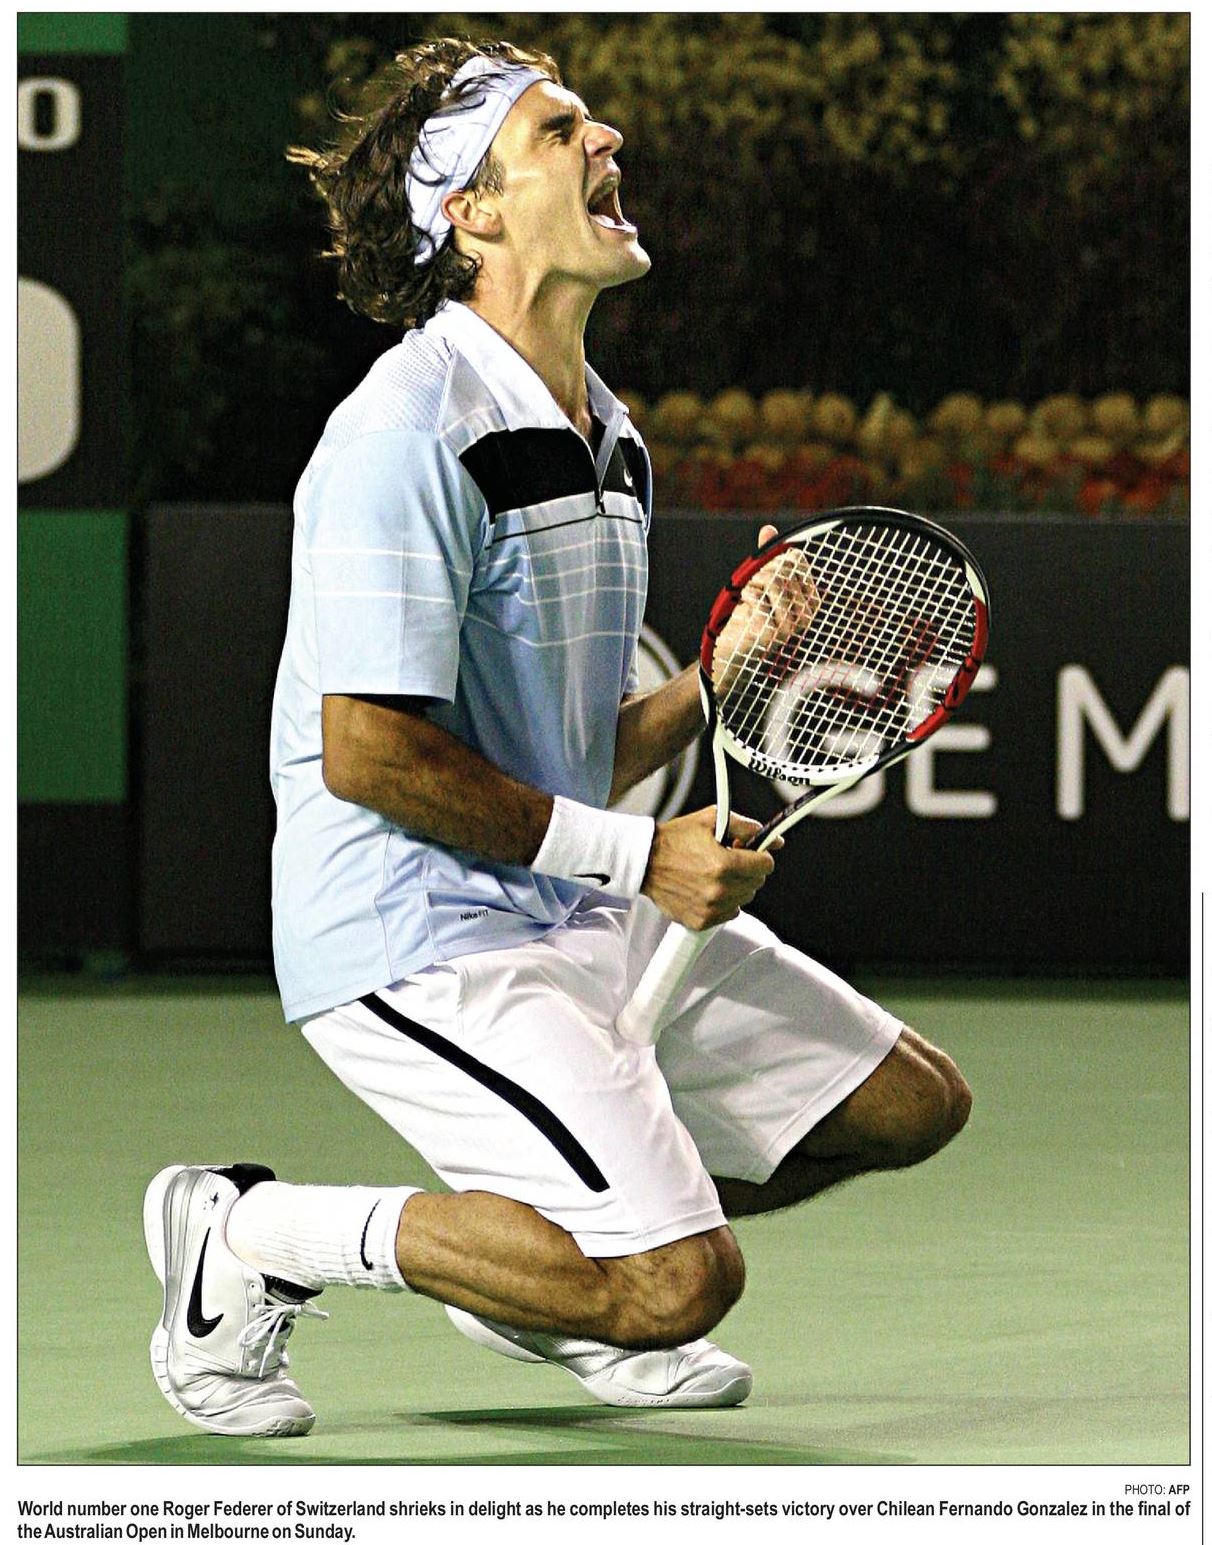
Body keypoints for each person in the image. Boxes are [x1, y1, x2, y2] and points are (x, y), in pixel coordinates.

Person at [143, 36, 972, 1438]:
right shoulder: (403, 431)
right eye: (558, 129)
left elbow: (561, 753)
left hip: (560, 897)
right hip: (414, 932)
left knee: (907, 1103)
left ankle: (543, 1268)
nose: (607, 141)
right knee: (679, 1287)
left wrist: (719, 679)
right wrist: (641, 858)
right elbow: (368, 754)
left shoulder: (609, 437)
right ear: (470, 210)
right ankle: (248, 1232)